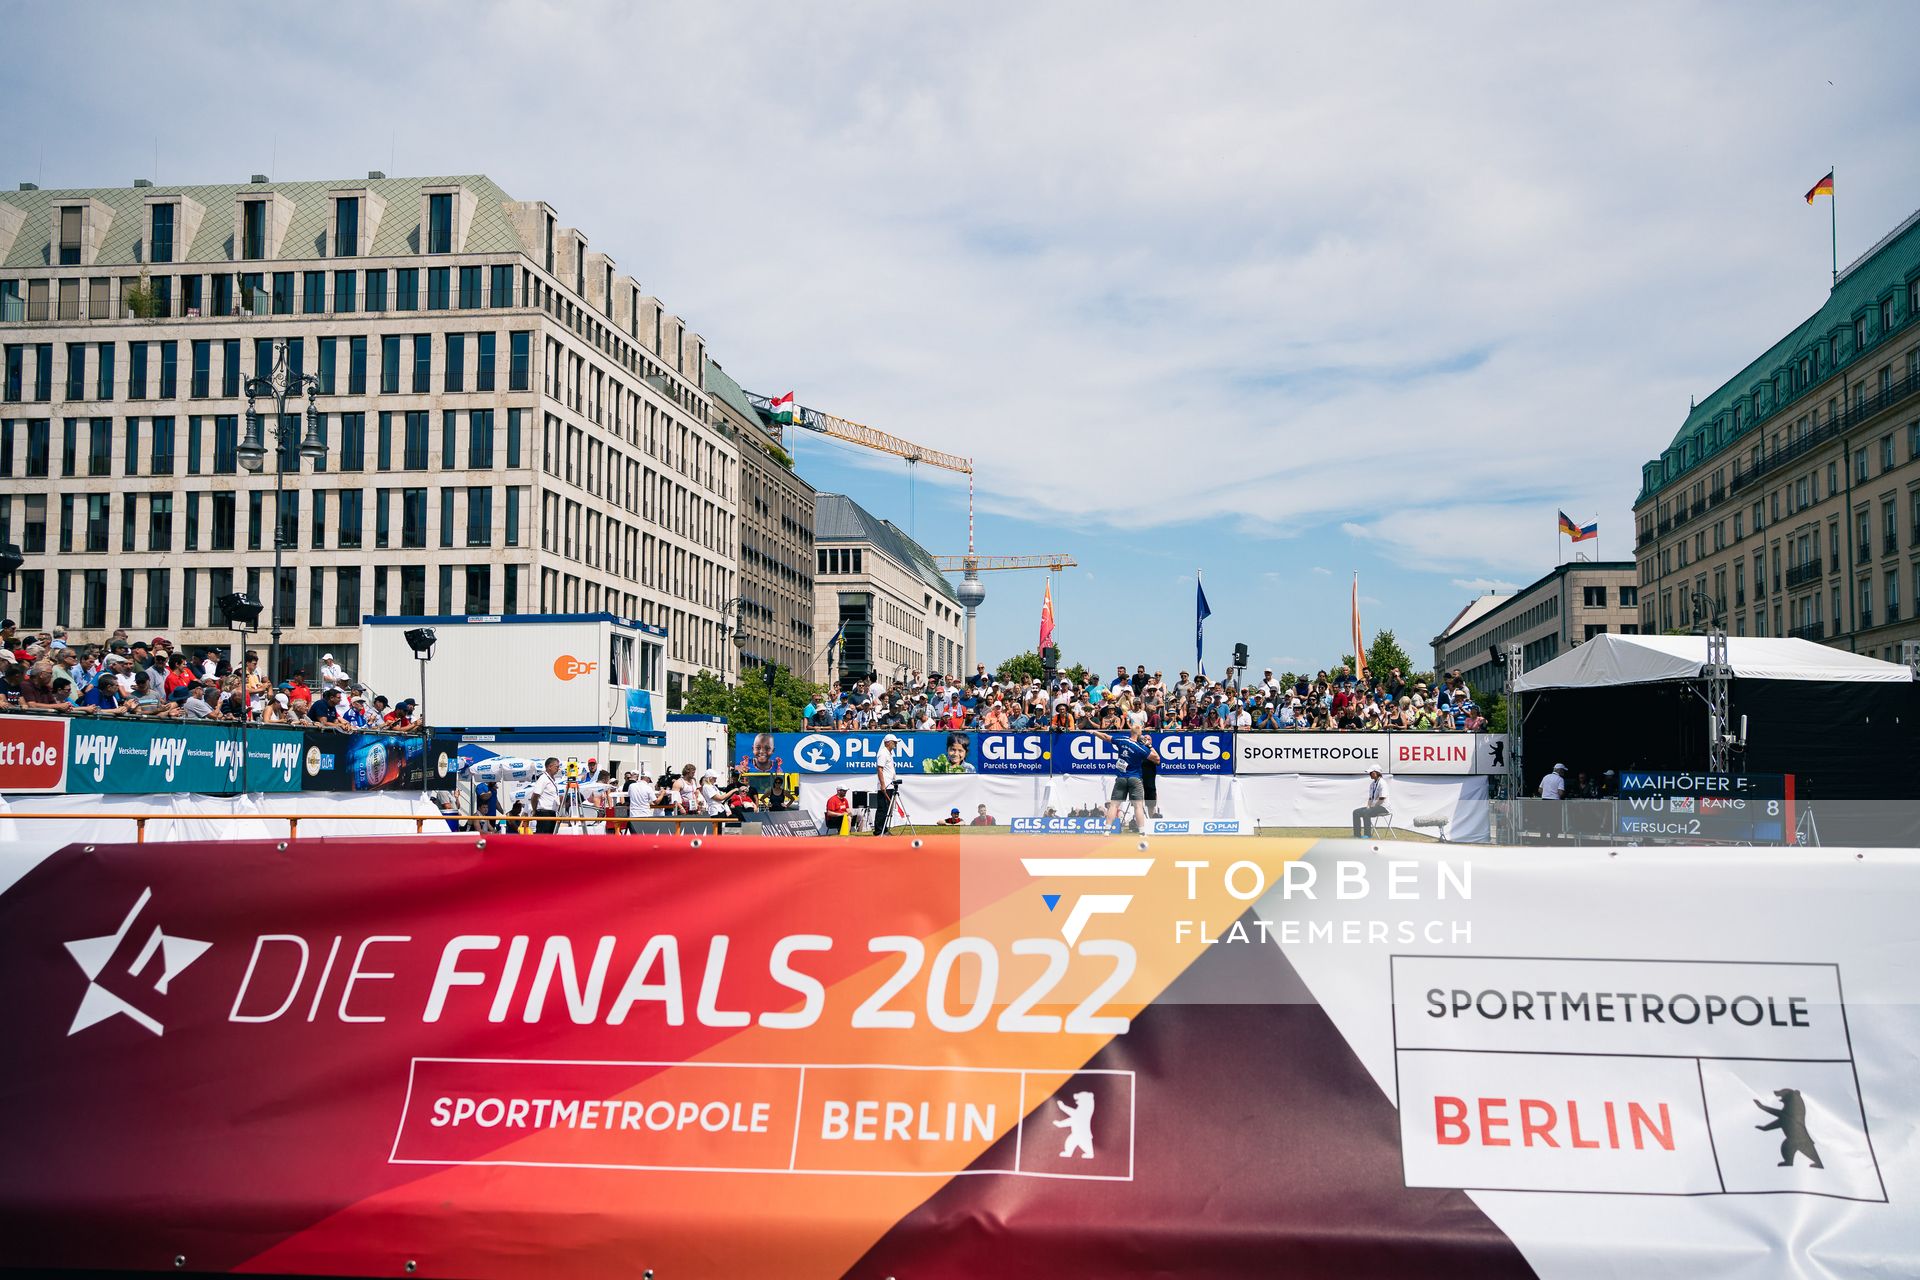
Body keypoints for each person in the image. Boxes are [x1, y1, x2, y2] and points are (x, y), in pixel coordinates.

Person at [1089, 726, 1155, 833]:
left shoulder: (1122, 740)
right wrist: (1149, 745)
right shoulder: (1141, 748)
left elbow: (1105, 737)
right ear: (1139, 735)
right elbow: (1156, 758)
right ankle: (1142, 832)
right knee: (1138, 806)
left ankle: (1107, 831)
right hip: (1135, 778)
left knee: (1114, 805)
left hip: (1121, 778)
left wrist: (1094, 732)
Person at [872, 733, 901, 837]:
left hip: (890, 784)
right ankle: (879, 831)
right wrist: (883, 785)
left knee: (887, 809)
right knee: (882, 809)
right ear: (888, 742)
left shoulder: (888, 753)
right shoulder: (883, 753)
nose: (896, 744)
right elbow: (880, 769)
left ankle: (884, 829)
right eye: (894, 742)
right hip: (886, 785)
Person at [530, 757, 564, 834]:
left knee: (550, 837)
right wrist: (535, 810)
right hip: (544, 813)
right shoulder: (543, 779)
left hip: (551, 813)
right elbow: (535, 796)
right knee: (543, 837)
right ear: (549, 767)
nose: (558, 769)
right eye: (556, 767)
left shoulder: (551, 779)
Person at [1352, 768, 1390, 838]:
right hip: (1374, 807)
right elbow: (1370, 798)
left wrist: (1372, 807)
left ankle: (1367, 835)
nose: (1370, 774)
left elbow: (1382, 798)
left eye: (1371, 772)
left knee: (1366, 812)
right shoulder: (1372, 784)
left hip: (1383, 807)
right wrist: (1368, 806)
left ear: (1377, 773)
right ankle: (1357, 835)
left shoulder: (1382, 783)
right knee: (1355, 812)